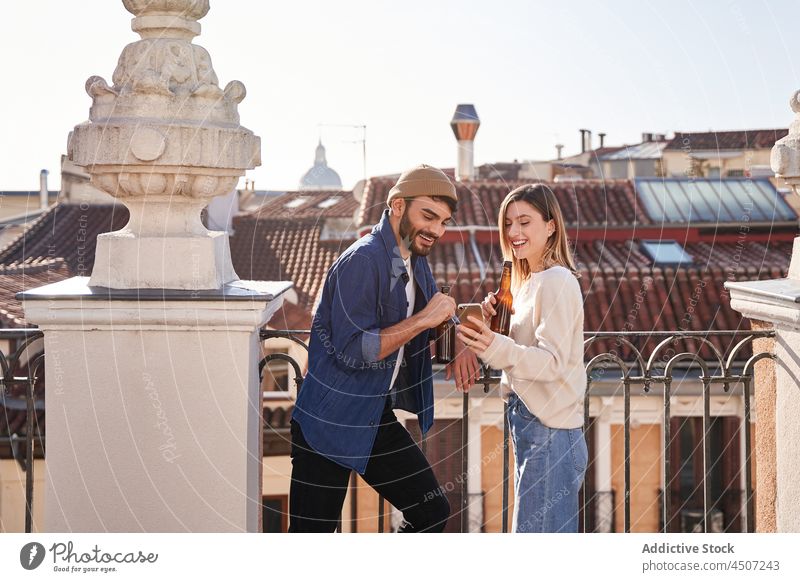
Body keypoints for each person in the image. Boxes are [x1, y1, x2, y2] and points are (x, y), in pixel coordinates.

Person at [289, 164, 481, 533]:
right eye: (428, 216)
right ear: (396, 205)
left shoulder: (410, 256)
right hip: (328, 420)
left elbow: (434, 306)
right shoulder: (363, 260)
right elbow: (353, 350)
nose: (436, 230)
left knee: (431, 512)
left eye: (443, 221)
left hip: (373, 415)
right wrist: (425, 320)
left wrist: (457, 338)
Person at [456, 183, 588, 533]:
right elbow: (520, 349)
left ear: (551, 226)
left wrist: (492, 345)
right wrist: (491, 324)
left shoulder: (556, 281)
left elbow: (551, 362)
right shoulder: (527, 282)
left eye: (524, 222)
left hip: (550, 431)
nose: (514, 232)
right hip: (534, 425)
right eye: (508, 223)